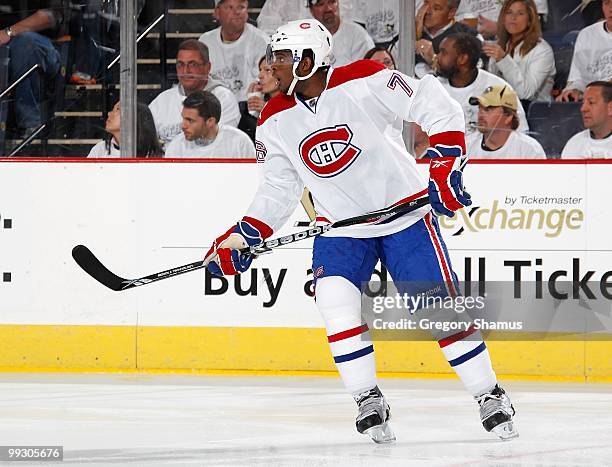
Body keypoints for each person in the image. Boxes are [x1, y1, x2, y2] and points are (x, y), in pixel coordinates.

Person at [203, 19, 517, 443]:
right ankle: (367, 398)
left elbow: (431, 101)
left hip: (404, 218)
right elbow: (279, 187)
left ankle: (488, 393)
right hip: (341, 228)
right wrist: (245, 235)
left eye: (280, 57)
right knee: (335, 303)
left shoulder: (363, 79)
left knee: (436, 309)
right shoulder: (274, 118)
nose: (270, 66)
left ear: (307, 59)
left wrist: (445, 162)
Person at [149, 39, 240, 145]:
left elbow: (221, 144)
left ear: (208, 67)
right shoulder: (162, 100)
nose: (185, 71)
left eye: (193, 65)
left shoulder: (224, 98)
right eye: (180, 65)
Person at [436, 33, 529, 135]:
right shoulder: (434, 88)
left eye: (443, 53)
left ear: (462, 59)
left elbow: (521, 132)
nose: (437, 57)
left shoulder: (498, 88)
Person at [484, 0, 555, 108]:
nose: (513, 17)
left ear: (530, 20)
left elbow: (525, 93)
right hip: (500, 110)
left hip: (533, 113)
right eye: (509, 13)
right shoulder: (500, 45)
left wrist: (503, 59)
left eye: (520, 13)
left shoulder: (542, 50)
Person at [199, 0, 269, 103]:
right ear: (217, 13)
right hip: (212, 107)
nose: (237, 12)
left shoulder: (262, 41)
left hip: (248, 109)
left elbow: (264, 84)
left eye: (241, 7)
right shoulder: (205, 41)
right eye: (229, 7)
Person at [164, 90, 255, 159]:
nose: (183, 126)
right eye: (183, 118)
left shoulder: (239, 142)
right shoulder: (176, 145)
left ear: (210, 122)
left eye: (190, 120)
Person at [466, 84, 546, 159]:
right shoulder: (466, 147)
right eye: (480, 109)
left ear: (508, 116)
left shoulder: (530, 150)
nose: (480, 115)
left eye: (488, 109)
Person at [557, 0, 612, 103]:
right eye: (607, 3)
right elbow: (578, 77)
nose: (611, 9)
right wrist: (574, 89)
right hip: (592, 103)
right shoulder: (586, 35)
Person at [414, 0, 479, 78]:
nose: (427, 11)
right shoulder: (408, 33)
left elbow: (468, 77)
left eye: (436, 8)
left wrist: (434, 60)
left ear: (451, 13)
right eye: (426, 4)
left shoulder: (469, 37)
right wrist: (414, 34)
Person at [307, 0, 374, 67]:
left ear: (338, 4)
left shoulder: (357, 34)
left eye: (332, 2)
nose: (328, 9)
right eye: (321, 4)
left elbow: (369, 68)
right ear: (311, 10)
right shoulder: (307, 39)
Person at [87, 101, 163, 158]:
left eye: (117, 109)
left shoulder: (152, 154)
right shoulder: (100, 149)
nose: (109, 114)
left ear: (134, 117)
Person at [562, 80, 612, 158]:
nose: (583, 109)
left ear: (610, 108)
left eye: (591, 102)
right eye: (583, 103)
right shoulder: (574, 144)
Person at [256, 0, 357, 36]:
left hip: (336, 52)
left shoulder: (338, 3)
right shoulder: (279, 2)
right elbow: (266, 30)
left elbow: (347, 31)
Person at [240, 56, 282, 141]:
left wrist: (269, 112)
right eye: (260, 70)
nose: (260, 76)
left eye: (267, 70)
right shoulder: (258, 104)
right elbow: (245, 140)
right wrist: (252, 107)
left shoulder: (297, 103)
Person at [454, 0, 548, 38]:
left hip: (514, 50)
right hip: (473, 48)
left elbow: (538, 23)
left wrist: (500, 28)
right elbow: (458, 17)